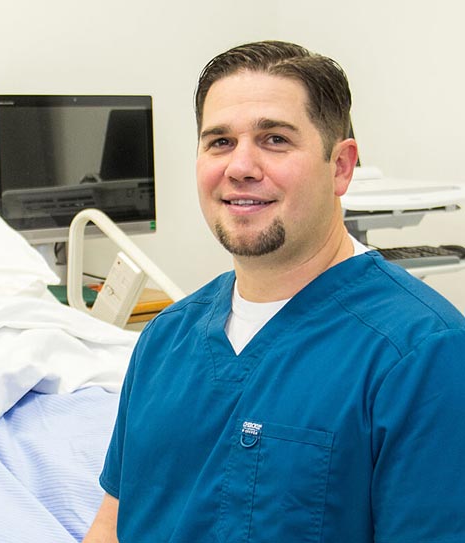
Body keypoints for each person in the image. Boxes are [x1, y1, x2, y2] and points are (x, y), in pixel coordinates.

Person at [84, 40, 465, 542]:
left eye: (275, 140)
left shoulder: (422, 353)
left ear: (341, 166)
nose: (240, 166)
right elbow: (111, 524)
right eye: (219, 142)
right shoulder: (164, 340)